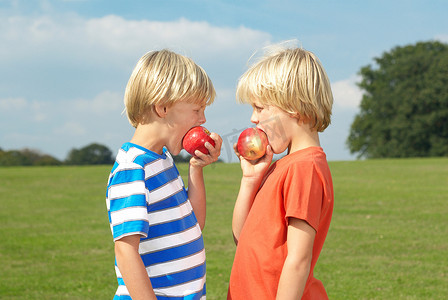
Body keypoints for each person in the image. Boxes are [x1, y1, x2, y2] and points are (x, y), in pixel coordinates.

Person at [106, 49, 222, 300]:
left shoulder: (163, 160)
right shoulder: (132, 169)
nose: (203, 119)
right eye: (197, 110)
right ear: (162, 107)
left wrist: (196, 168)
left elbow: (194, 225)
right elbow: (126, 252)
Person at [227, 43, 334, 300]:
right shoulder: (285, 166)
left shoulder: (303, 169)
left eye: (260, 108)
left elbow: (298, 260)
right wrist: (250, 180)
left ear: (293, 106)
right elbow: (242, 237)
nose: (253, 118)